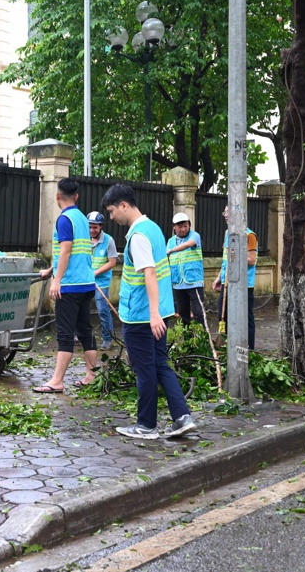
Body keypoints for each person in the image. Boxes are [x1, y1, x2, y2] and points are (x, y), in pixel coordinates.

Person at [101, 184, 196, 439]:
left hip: (142, 316)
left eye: (112, 211)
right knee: (160, 365)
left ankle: (146, 426)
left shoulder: (138, 236)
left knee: (145, 370)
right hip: (158, 312)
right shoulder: (152, 228)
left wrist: (152, 314)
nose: (111, 217)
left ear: (123, 205)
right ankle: (182, 417)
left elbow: (150, 273)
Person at [33, 178, 98, 393]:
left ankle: (57, 381)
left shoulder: (64, 219)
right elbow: (73, 253)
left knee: (64, 333)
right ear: (76, 196)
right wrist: (50, 271)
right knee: (85, 331)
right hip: (87, 283)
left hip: (70, 286)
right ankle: (91, 376)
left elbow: (67, 251)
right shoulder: (81, 217)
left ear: (57, 196)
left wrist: (57, 281)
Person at [212, 206, 258, 350]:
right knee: (222, 314)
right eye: (225, 212)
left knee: (245, 317)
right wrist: (219, 277)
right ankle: (226, 346)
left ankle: (249, 347)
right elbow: (226, 259)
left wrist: (237, 254)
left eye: (229, 212)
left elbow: (252, 260)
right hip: (227, 281)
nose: (226, 215)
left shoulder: (249, 235)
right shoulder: (227, 233)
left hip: (244, 284)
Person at [166, 212, 205, 325]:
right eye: (180, 226)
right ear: (174, 227)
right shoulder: (170, 241)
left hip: (194, 282)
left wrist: (172, 250)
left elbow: (188, 244)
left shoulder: (194, 236)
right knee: (183, 313)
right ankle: (187, 339)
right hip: (178, 283)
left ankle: (201, 338)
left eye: (185, 226)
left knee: (198, 312)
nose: (183, 229)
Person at [88, 211, 118, 350]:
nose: (92, 230)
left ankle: (108, 339)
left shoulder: (108, 241)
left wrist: (96, 273)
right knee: (80, 308)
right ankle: (80, 336)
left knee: (102, 310)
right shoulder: (83, 240)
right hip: (85, 280)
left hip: (101, 282)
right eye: (90, 227)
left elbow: (112, 262)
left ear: (101, 227)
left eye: (95, 227)